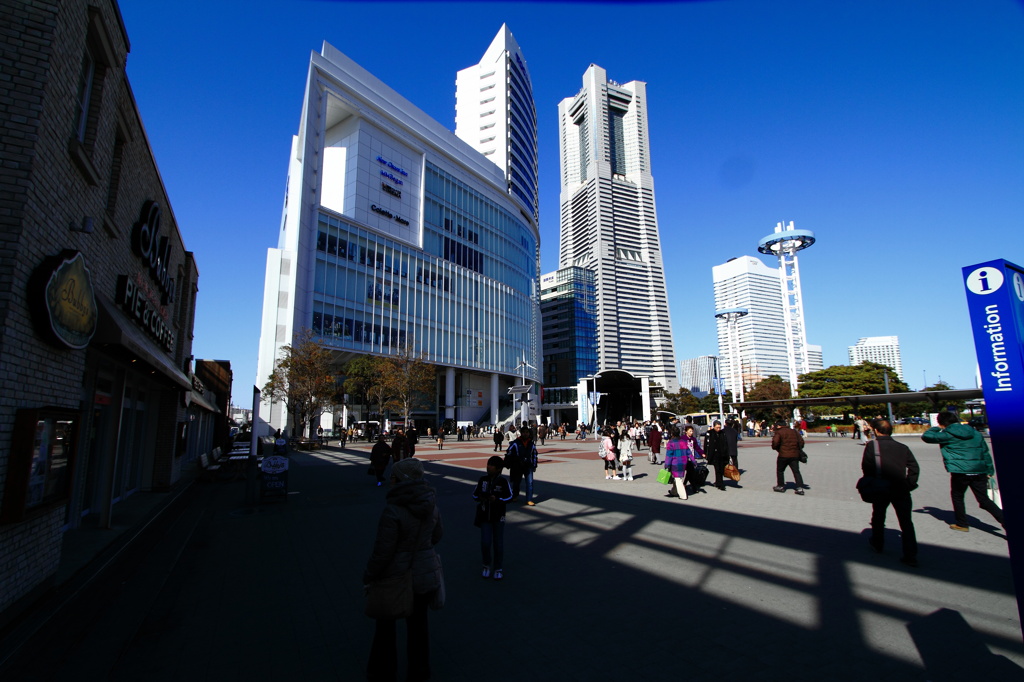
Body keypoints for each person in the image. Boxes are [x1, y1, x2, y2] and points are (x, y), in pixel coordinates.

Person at [364, 458, 443, 682]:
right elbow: (437, 535)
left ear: (402, 480)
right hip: (424, 574)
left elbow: (383, 552)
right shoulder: (431, 503)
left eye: (394, 476)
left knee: (386, 625)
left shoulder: (393, 511)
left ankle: (383, 671)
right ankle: (420, 672)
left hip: (395, 576)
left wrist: (370, 574)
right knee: (419, 627)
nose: (391, 479)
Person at [922, 411, 1004, 531]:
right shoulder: (975, 433)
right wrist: (989, 470)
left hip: (960, 471)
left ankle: (962, 523)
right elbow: (985, 452)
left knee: (958, 496)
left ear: (942, 423)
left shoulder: (947, 434)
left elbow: (926, 437)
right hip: (979, 470)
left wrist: (936, 428)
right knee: (984, 500)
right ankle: (1006, 521)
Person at [862, 418, 920, 567]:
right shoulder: (902, 447)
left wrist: (872, 480)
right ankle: (910, 553)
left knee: (879, 515)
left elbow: (866, 467)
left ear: (876, 431)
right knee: (906, 521)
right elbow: (914, 468)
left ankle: (878, 543)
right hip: (900, 487)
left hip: (881, 487)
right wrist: (909, 484)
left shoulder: (872, 446)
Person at [473, 456, 513, 580]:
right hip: (485, 516)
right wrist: (481, 497)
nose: (488, 467)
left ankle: (498, 567)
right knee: (485, 542)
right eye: (488, 464)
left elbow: (510, 497)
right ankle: (486, 564)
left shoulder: (503, 482)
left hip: (498, 516)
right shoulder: (482, 480)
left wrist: (498, 500)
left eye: (491, 465)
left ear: (499, 469)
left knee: (498, 543)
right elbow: (474, 495)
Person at [505, 429, 539, 504]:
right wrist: (509, 463)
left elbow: (534, 454)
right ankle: (515, 495)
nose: (525, 434)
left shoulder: (531, 443)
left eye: (527, 432)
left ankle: (529, 499)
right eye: (524, 432)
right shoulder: (516, 443)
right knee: (516, 482)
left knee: (529, 482)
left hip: (528, 465)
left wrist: (534, 465)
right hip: (518, 465)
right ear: (521, 433)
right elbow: (509, 452)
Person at [772, 420, 806, 495]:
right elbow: (801, 442)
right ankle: (799, 488)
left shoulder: (779, 432)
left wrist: (776, 448)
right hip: (795, 455)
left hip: (783, 455)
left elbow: (775, 442)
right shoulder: (794, 431)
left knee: (780, 471)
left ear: (778, 426)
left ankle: (780, 486)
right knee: (796, 471)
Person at [663, 426, 693, 499]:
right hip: (683, 462)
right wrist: (693, 460)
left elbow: (669, 455)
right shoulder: (683, 441)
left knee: (678, 479)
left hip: (675, 463)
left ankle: (683, 495)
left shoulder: (671, 443)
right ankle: (674, 491)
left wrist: (667, 465)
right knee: (676, 478)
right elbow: (689, 452)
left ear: (672, 433)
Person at [704, 420, 730, 490]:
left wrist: (727, 454)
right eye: (717, 427)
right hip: (714, 454)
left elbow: (725, 443)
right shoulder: (710, 433)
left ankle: (719, 482)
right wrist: (705, 453)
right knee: (717, 469)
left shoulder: (722, 433)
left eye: (719, 427)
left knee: (721, 469)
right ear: (713, 426)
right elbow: (706, 444)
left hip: (722, 454)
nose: (718, 429)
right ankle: (720, 484)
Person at [682, 425, 707, 493]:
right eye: (690, 431)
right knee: (690, 473)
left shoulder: (693, 439)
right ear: (686, 431)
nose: (691, 432)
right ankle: (691, 486)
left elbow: (697, 448)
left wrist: (702, 453)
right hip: (684, 458)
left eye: (692, 431)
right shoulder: (683, 438)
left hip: (691, 458)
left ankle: (689, 486)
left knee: (690, 472)